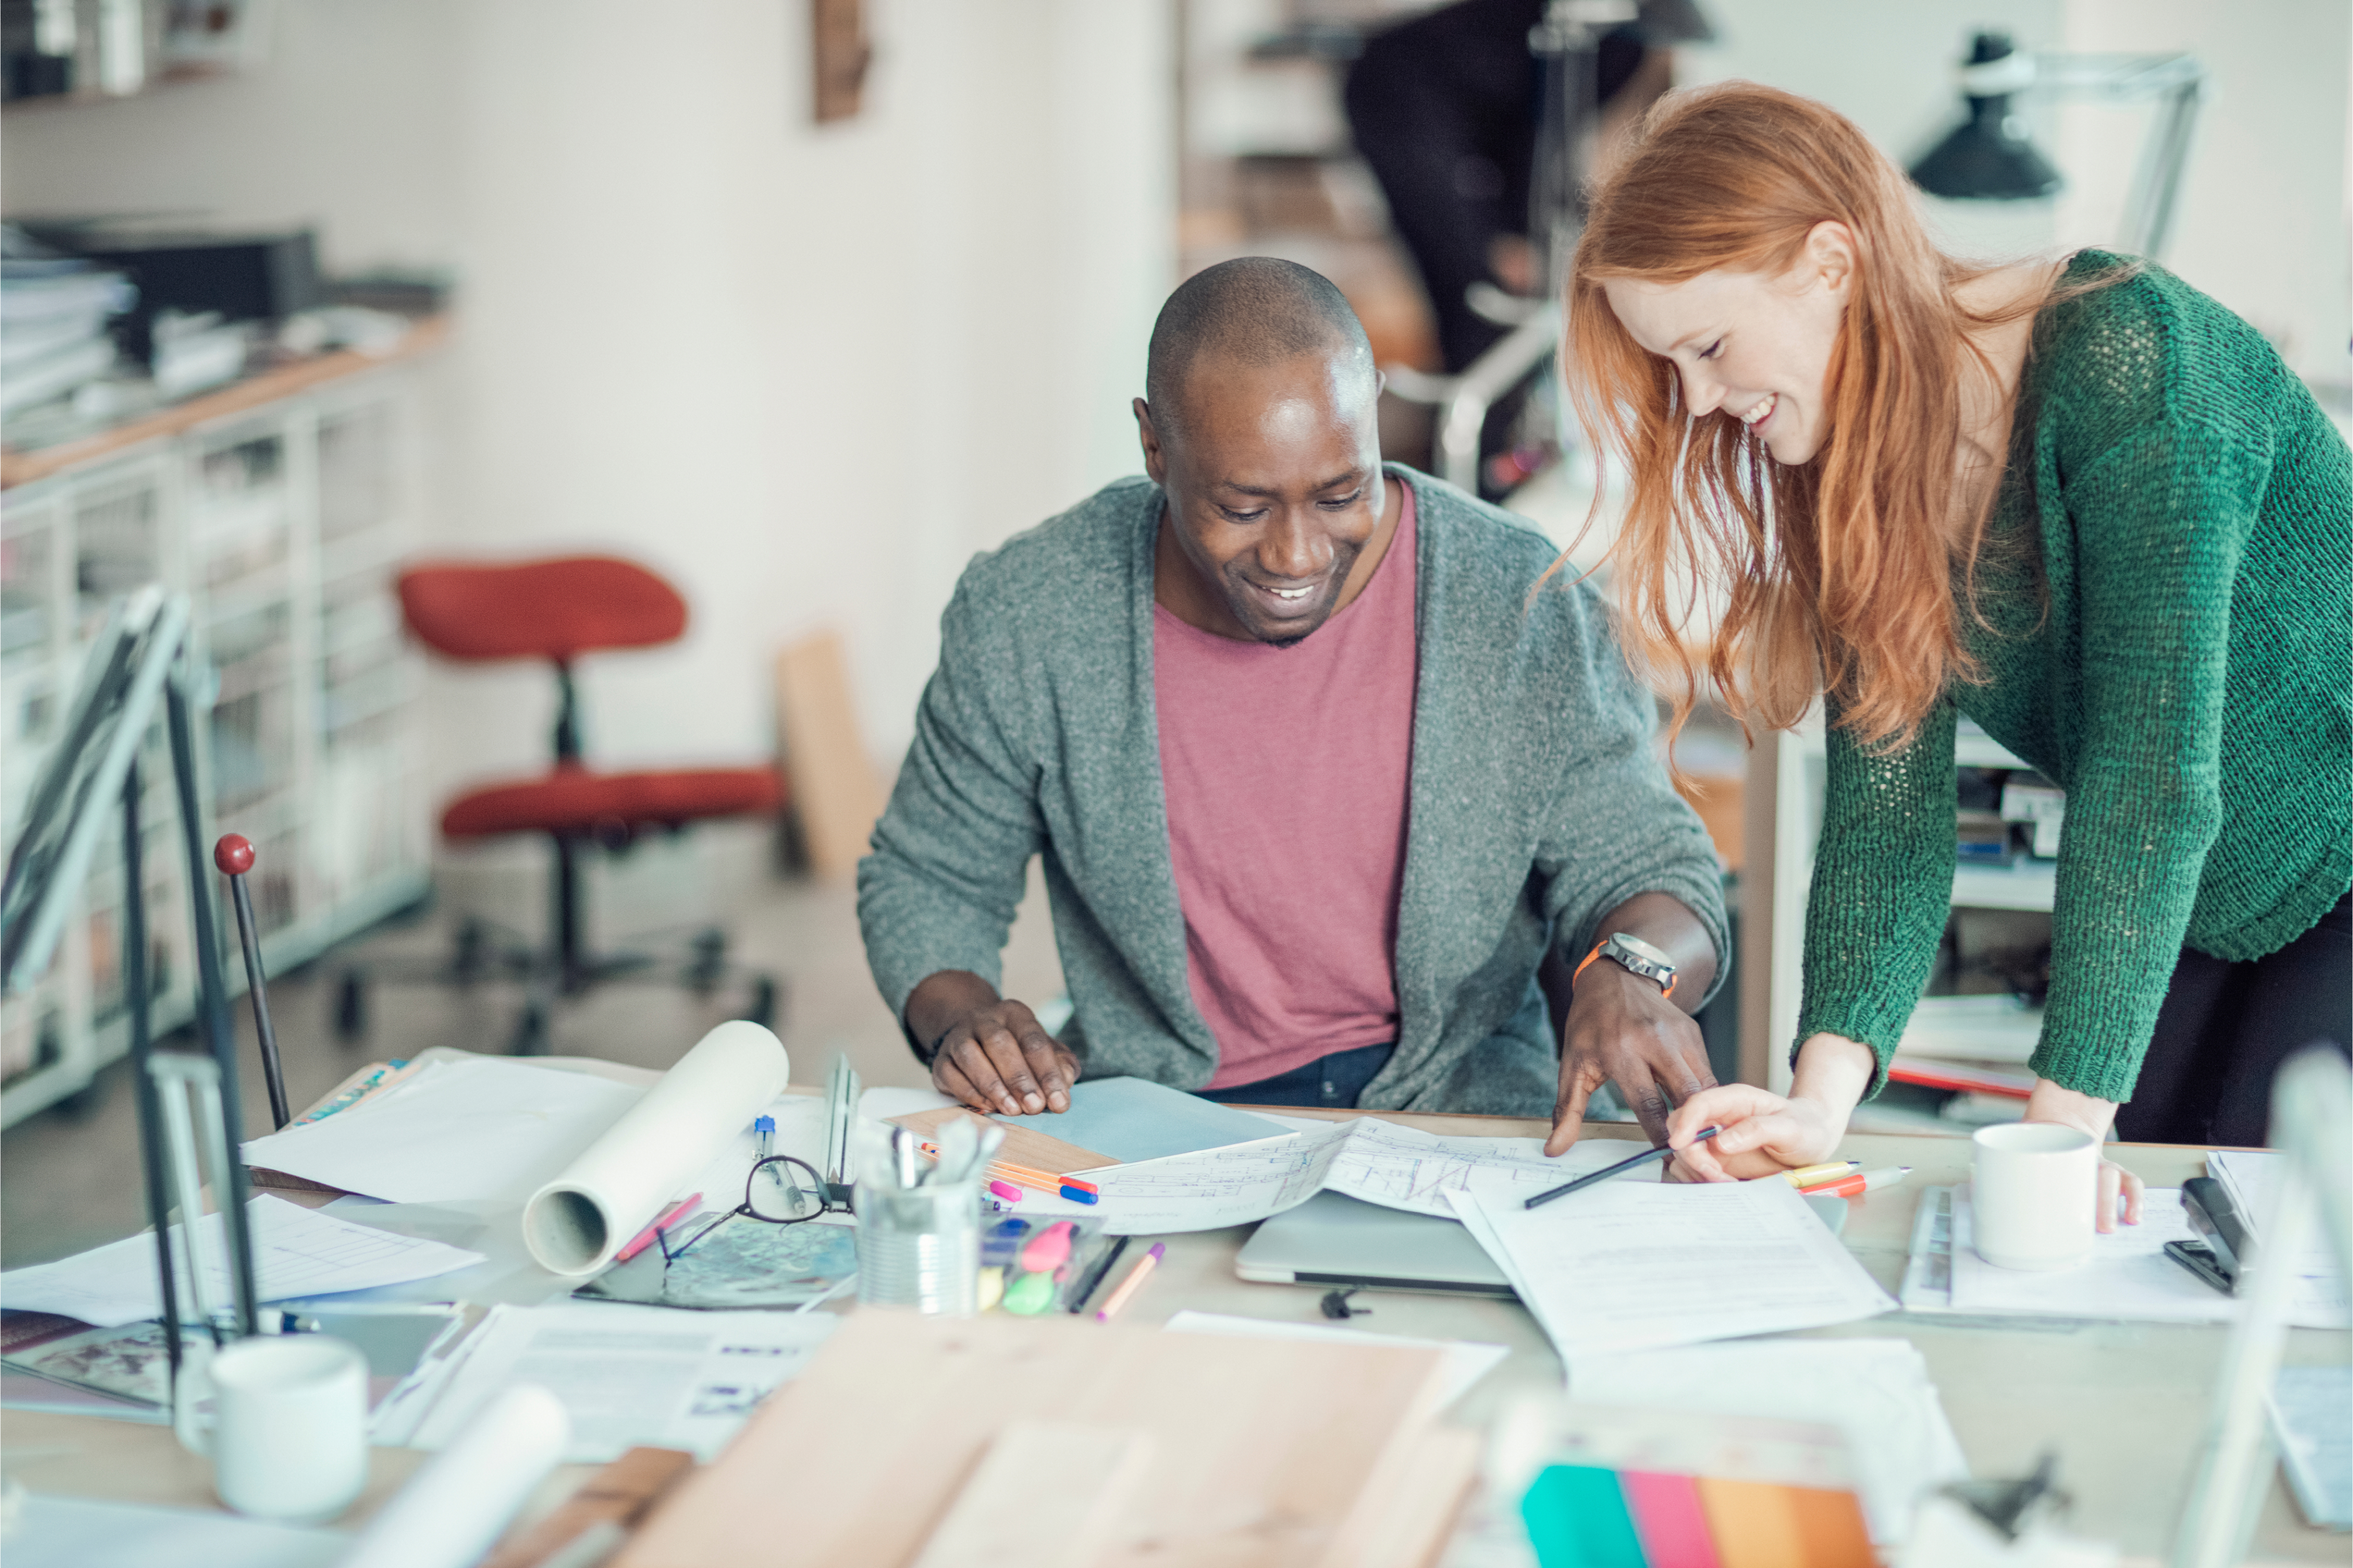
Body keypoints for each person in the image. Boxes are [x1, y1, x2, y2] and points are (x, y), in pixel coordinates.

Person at [1540, 82, 2351, 1212]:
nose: (1703, 399)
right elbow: (1887, 817)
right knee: (2163, 1237)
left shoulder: (2132, 362)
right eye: (1672, 368)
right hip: (2218, 898)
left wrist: (2061, 1130)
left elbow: (2151, 777)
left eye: (1711, 347)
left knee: (2269, 1254)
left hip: (2336, 852)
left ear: (1831, 262)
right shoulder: (1851, 467)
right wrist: (1819, 1103)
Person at [857, 257, 1727, 1133]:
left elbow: (1652, 870)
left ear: (1373, 413)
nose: (1297, 555)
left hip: (1458, 1113)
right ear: (1154, 444)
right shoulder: (1032, 611)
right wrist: (962, 1017)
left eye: (1340, 493)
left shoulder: (1518, 602)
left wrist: (1628, 971)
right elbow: (928, 877)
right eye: (1243, 508)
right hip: (1160, 1119)